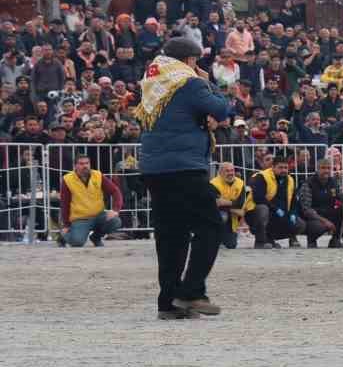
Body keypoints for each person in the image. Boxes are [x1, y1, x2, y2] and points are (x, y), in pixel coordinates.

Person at [135, 38, 232, 319]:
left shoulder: (154, 82)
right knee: (211, 225)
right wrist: (208, 81)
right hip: (184, 167)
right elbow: (222, 109)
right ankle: (191, 292)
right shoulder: (188, 82)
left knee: (171, 235)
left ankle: (168, 302)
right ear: (189, 60)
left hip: (155, 168)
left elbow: (181, 116)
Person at [58, 153, 124, 247]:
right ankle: (63, 236)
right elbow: (65, 203)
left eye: (87, 163)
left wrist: (115, 210)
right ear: (75, 166)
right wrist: (66, 225)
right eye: (81, 164)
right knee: (78, 242)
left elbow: (115, 191)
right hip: (80, 219)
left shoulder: (98, 175)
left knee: (116, 221)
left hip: (98, 215)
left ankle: (96, 237)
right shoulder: (67, 179)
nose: (85, 166)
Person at [248, 155, 305, 249]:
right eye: (280, 167)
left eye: (286, 168)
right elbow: (258, 198)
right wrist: (276, 209)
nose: (283, 170)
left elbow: (294, 201)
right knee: (263, 210)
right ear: (273, 167)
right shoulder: (261, 177)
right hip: (258, 212)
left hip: (281, 213)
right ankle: (260, 241)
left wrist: (293, 213)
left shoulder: (290, 179)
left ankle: (280, 238)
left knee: (300, 224)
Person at [298, 156, 343, 248]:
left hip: (329, 212)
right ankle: (311, 240)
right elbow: (306, 210)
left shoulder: (334, 182)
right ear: (317, 169)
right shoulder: (308, 184)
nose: (326, 171)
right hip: (313, 216)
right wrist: (325, 221)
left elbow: (342, 195)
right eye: (323, 168)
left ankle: (335, 239)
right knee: (319, 226)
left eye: (328, 168)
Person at [210, 161, 250, 250]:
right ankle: (215, 238)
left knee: (231, 245)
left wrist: (224, 202)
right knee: (222, 215)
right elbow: (215, 204)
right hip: (219, 216)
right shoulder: (214, 184)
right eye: (227, 171)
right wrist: (233, 208)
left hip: (233, 219)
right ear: (220, 173)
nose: (231, 173)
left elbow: (240, 204)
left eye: (232, 170)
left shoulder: (240, 183)